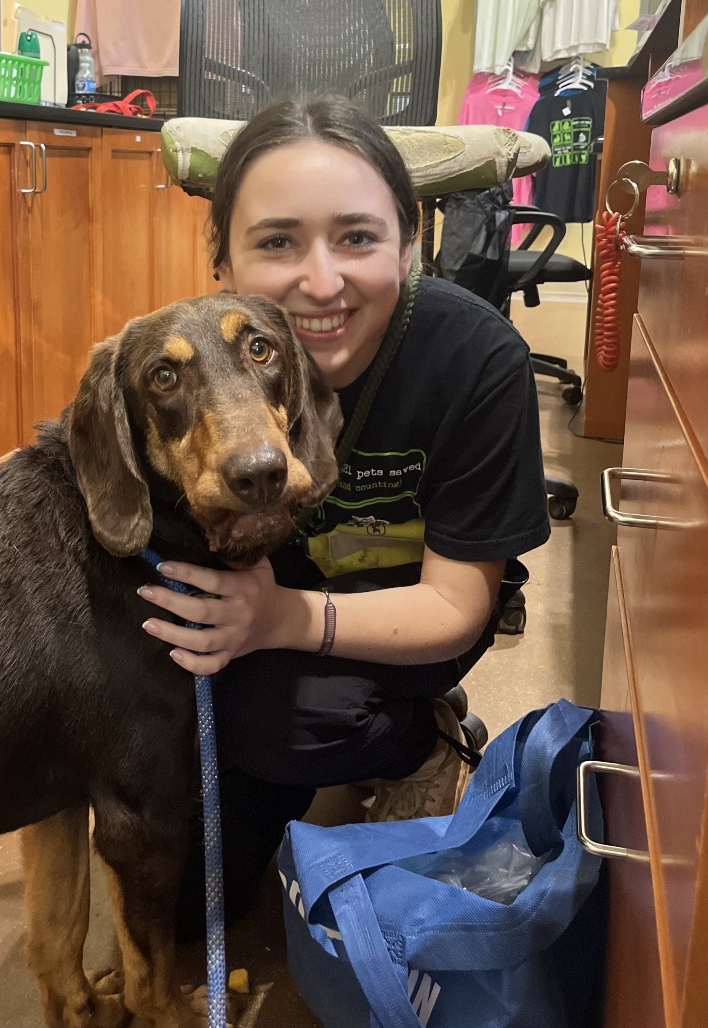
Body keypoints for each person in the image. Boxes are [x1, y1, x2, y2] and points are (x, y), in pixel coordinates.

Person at [135, 95, 550, 938]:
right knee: (182, 913)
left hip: (411, 619)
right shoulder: (199, 356)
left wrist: (279, 618)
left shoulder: (475, 360)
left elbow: (454, 608)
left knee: (287, 724)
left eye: (358, 238)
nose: (320, 283)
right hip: (261, 617)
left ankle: (417, 747)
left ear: (409, 240)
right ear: (222, 260)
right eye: (278, 242)